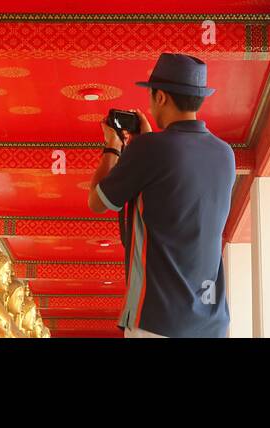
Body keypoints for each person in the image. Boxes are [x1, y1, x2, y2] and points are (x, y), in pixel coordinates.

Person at [87, 53, 235, 338]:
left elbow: (97, 201)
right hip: (212, 325)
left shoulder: (151, 149)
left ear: (162, 97)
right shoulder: (225, 154)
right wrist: (146, 144)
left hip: (158, 320)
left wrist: (112, 148)